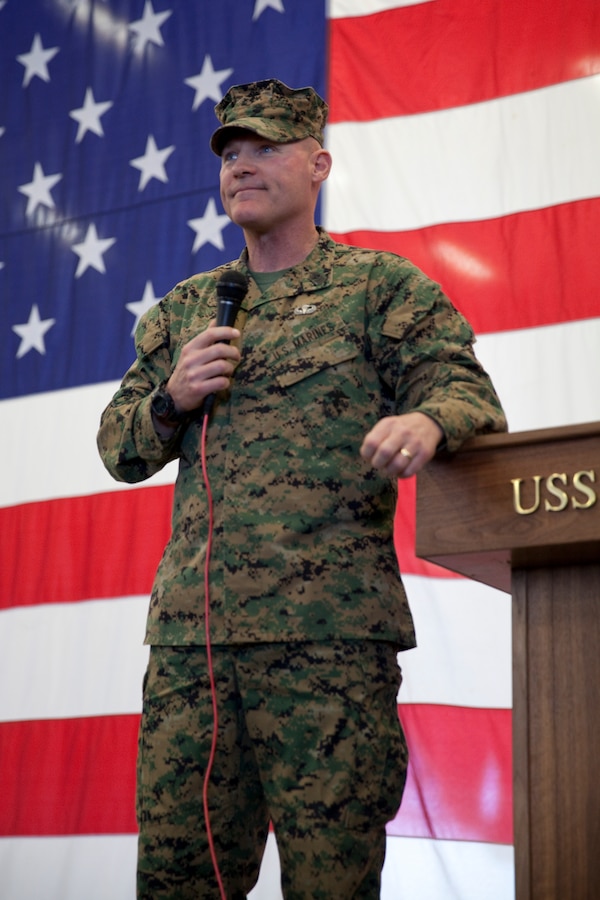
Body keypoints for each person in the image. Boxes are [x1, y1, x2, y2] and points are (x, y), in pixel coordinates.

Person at [97, 78, 507, 900]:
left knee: (332, 881)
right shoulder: (186, 311)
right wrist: (171, 397)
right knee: (178, 881)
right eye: (231, 154)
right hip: (194, 651)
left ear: (318, 164)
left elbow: (465, 392)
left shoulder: (379, 287)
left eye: (265, 148)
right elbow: (120, 449)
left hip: (329, 646)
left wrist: (425, 420)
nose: (241, 167)